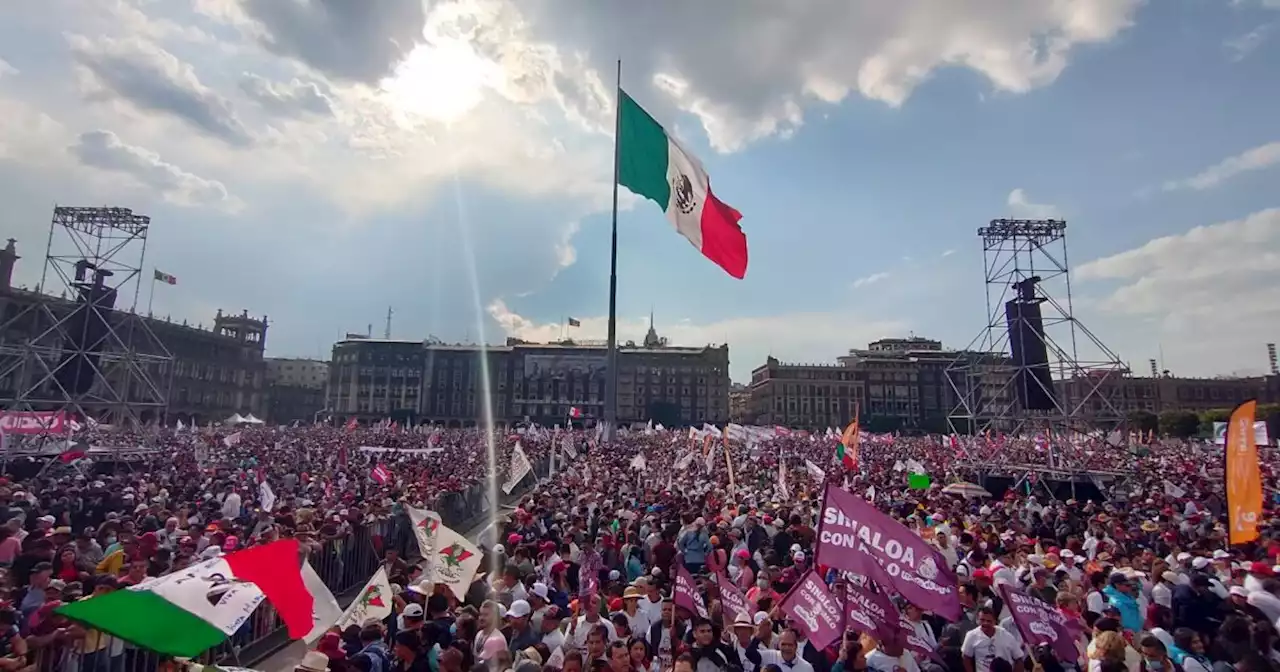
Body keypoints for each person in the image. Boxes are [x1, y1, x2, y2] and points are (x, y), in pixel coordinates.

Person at [961, 607, 1023, 672]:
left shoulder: (1006, 635)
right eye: (982, 620)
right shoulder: (971, 635)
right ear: (977, 620)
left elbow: (1019, 659)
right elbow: (966, 658)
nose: (985, 623)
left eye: (989, 621)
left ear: (994, 621)